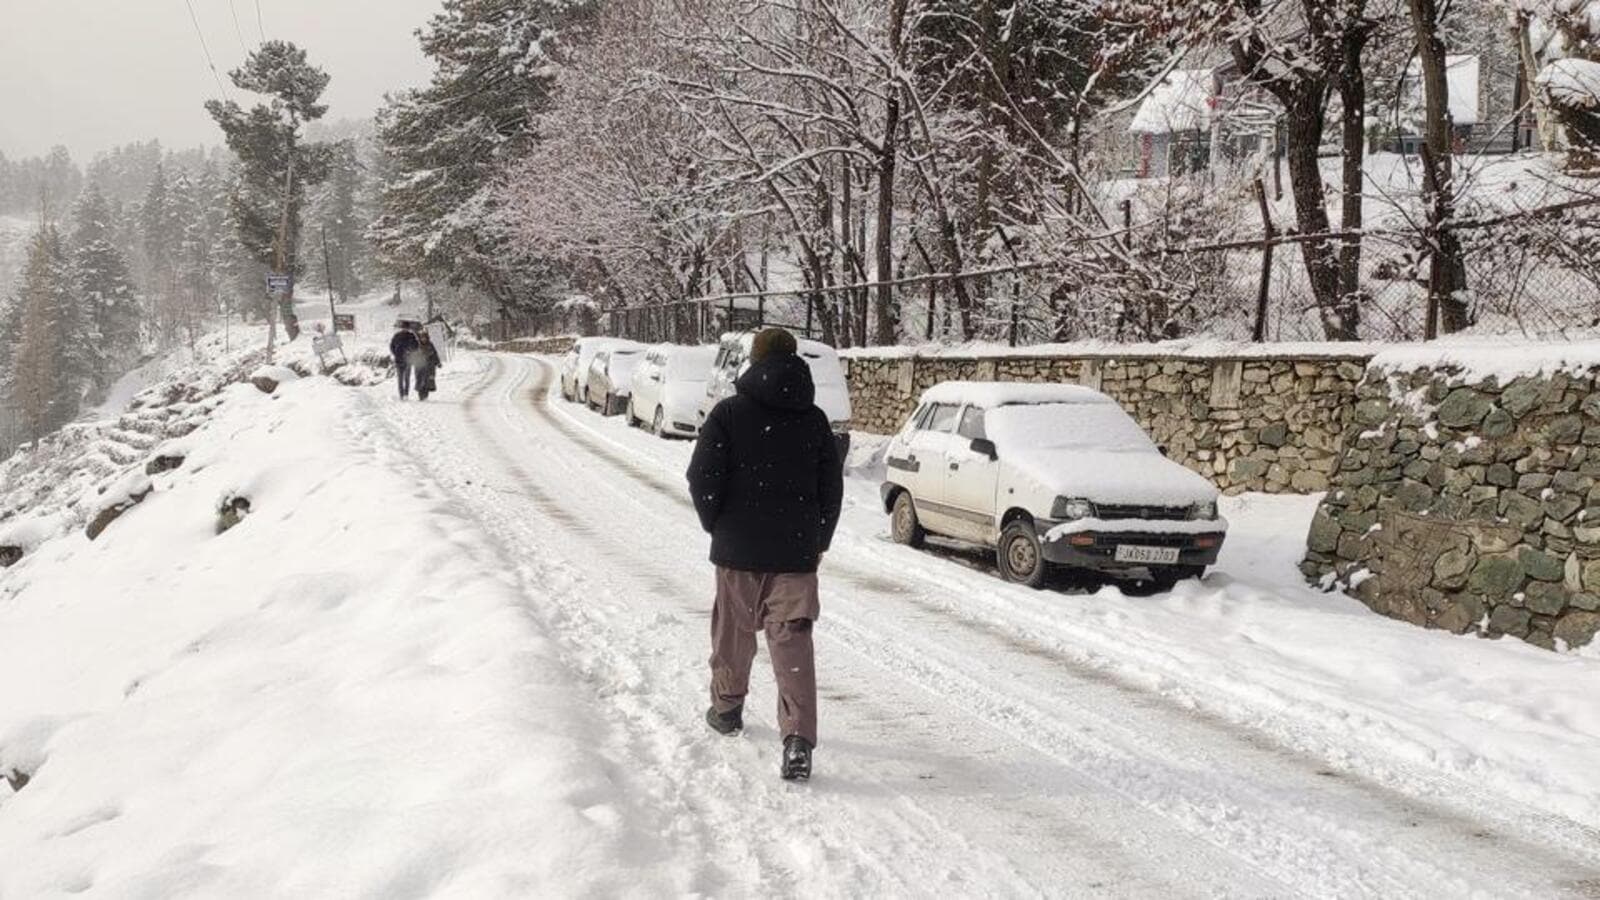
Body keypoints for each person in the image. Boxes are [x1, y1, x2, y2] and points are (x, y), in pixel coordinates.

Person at [686, 328, 843, 781]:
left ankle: (727, 709)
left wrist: (717, 523)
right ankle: (797, 738)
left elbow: (702, 477)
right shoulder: (813, 419)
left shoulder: (729, 413)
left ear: (753, 361)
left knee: (733, 633)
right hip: (795, 552)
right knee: (792, 641)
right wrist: (818, 539)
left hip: (738, 548)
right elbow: (831, 489)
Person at [389, 323, 420, 400]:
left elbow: (416, 346)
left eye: (406, 328)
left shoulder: (411, 336)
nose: (405, 329)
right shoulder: (397, 336)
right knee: (400, 379)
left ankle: (406, 394)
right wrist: (395, 353)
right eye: (403, 328)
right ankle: (401, 394)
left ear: (408, 328)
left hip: (408, 359)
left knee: (407, 378)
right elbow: (391, 346)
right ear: (401, 328)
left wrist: (411, 351)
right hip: (399, 360)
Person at [412, 330, 443, 401]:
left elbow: (435, 354)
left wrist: (438, 363)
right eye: (422, 337)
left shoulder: (430, 345)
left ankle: (425, 396)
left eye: (424, 337)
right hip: (420, 366)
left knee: (427, 382)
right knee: (420, 381)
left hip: (429, 366)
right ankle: (420, 396)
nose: (423, 339)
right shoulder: (417, 345)